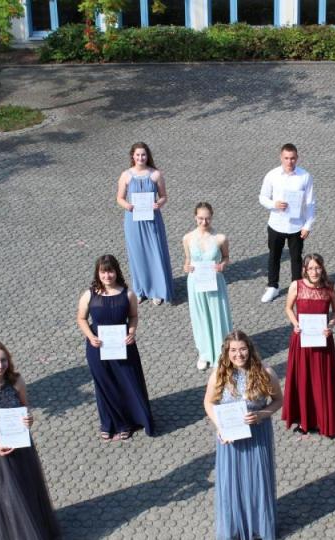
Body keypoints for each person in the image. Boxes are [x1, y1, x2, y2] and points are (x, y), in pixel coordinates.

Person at [0, 340, 61, 540]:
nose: (0, 365)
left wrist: (28, 419)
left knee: (25, 487)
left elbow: (25, 407)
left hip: (19, 443)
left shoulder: (17, 381)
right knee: (4, 494)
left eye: (3, 360)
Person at [204, 331, 283, 540]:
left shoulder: (266, 372)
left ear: (250, 349)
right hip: (230, 437)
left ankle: (258, 524)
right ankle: (235, 527)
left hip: (257, 434)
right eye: (233, 350)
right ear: (226, 352)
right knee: (232, 483)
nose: (238, 354)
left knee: (257, 480)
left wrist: (261, 415)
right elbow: (208, 403)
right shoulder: (219, 374)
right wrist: (220, 426)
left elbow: (278, 401)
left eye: (242, 349)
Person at [75, 255, 155, 440]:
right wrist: (91, 337)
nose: (107, 276)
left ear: (116, 271)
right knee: (105, 385)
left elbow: (133, 317)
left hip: (123, 346)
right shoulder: (89, 294)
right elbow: (81, 318)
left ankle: (127, 422)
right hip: (97, 347)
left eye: (110, 271)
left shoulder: (128, 294)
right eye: (103, 272)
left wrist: (132, 332)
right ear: (98, 273)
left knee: (127, 383)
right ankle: (109, 423)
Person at [282, 254, 335, 438]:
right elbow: (288, 308)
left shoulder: (331, 287)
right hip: (302, 339)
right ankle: (304, 420)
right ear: (305, 270)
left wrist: (330, 325)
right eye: (310, 268)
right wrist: (295, 324)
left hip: (323, 340)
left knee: (322, 380)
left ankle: (324, 421)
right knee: (303, 379)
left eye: (317, 268)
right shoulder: (296, 286)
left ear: (322, 268)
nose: (314, 272)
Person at [116, 142, 175, 305]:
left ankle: (158, 290)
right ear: (133, 156)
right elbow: (119, 198)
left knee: (155, 252)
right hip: (133, 221)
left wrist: (159, 204)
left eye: (143, 155)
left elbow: (164, 196)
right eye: (138, 155)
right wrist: (127, 205)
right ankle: (140, 289)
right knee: (137, 255)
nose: (141, 158)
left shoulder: (156, 174)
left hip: (152, 219)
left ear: (147, 156)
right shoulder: (126, 175)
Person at [258, 143, 316, 303]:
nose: (289, 161)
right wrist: (274, 204)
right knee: (274, 256)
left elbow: (310, 203)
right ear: (281, 158)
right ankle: (272, 286)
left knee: (296, 258)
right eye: (286, 158)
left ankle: (296, 287)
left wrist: (307, 225)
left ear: (297, 158)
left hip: (296, 226)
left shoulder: (305, 176)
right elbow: (262, 197)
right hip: (276, 223)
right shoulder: (272, 175)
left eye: (292, 158)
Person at [183, 203, 233, 371]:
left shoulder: (220, 238)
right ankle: (204, 353)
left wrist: (222, 265)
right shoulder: (187, 238)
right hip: (195, 282)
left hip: (214, 281)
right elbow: (187, 261)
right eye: (200, 218)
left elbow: (226, 257)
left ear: (212, 217)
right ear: (195, 217)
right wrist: (186, 267)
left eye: (207, 218)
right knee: (200, 317)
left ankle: (221, 353)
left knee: (218, 315)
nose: (204, 222)